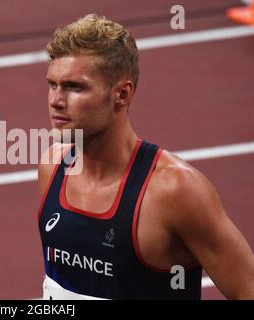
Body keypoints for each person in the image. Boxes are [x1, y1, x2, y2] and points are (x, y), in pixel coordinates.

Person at [37, 14, 254, 299]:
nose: (56, 100)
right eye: (52, 85)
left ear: (122, 94)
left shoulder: (174, 190)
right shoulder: (53, 166)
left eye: (74, 87)